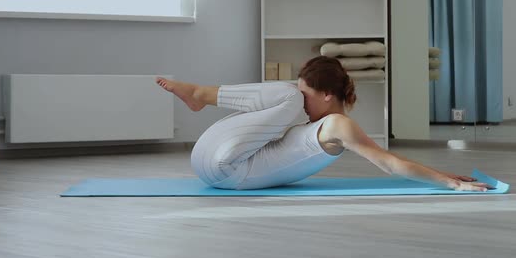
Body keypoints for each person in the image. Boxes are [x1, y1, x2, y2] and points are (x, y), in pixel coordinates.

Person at [156, 56, 492, 192]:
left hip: (224, 169)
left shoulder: (337, 125)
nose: (301, 101)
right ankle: (199, 94)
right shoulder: (307, 117)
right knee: (286, 95)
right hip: (209, 157)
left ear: (328, 96)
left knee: (285, 95)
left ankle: (200, 93)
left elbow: (389, 162)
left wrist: (449, 182)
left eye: (307, 94)